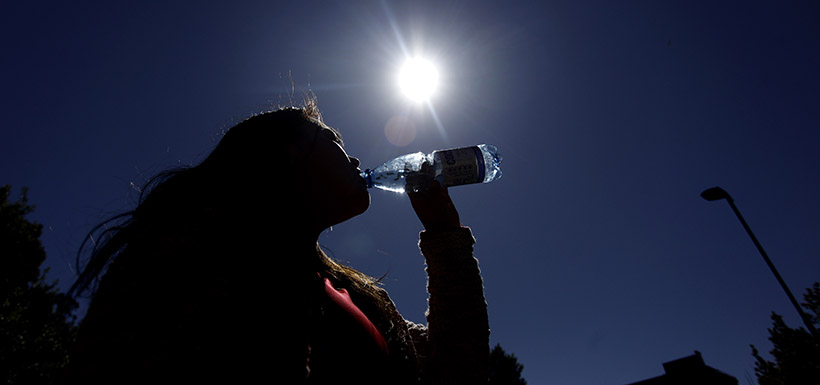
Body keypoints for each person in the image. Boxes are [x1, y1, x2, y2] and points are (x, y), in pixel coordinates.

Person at [59, 100, 489, 384]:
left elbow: (457, 370)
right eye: (335, 142)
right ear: (284, 156)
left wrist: (444, 234)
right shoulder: (182, 259)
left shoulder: (347, 291)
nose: (356, 159)